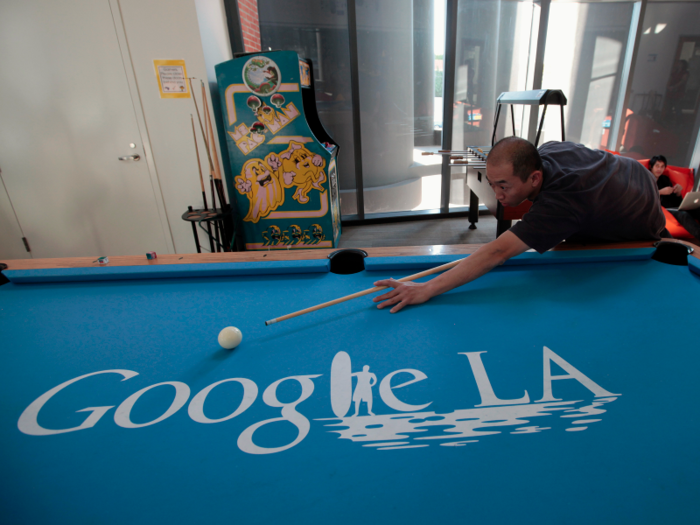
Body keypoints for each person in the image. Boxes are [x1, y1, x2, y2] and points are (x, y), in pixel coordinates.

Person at [373, 138, 666, 313]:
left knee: (578, 256)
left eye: (504, 186)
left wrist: (426, 289)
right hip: (629, 173)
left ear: (535, 178)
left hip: (641, 213)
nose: (498, 195)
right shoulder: (547, 151)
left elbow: (497, 252)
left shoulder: (561, 204)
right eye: (492, 184)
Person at [648, 155, 700, 240]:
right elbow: (643, 195)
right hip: (661, 210)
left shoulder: (665, 179)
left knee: (697, 209)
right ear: (651, 166)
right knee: (683, 215)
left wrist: (678, 193)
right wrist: (660, 192)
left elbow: (676, 202)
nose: (659, 169)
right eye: (657, 166)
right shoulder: (646, 179)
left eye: (662, 167)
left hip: (671, 207)